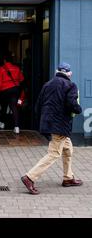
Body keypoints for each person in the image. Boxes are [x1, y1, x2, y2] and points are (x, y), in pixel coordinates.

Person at [21, 62, 82, 195]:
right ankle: (30, 177)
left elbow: (38, 105)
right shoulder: (70, 85)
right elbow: (72, 104)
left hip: (48, 123)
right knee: (54, 153)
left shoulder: (47, 84)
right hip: (60, 126)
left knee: (68, 149)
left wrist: (42, 121)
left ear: (57, 71)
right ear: (69, 73)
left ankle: (68, 178)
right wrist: (78, 109)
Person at [0, 53, 24, 134]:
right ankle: (16, 127)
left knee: (4, 107)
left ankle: (2, 123)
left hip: (5, 90)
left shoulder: (0, 69)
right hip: (15, 89)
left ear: (4, 60)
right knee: (13, 107)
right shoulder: (17, 68)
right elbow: (21, 79)